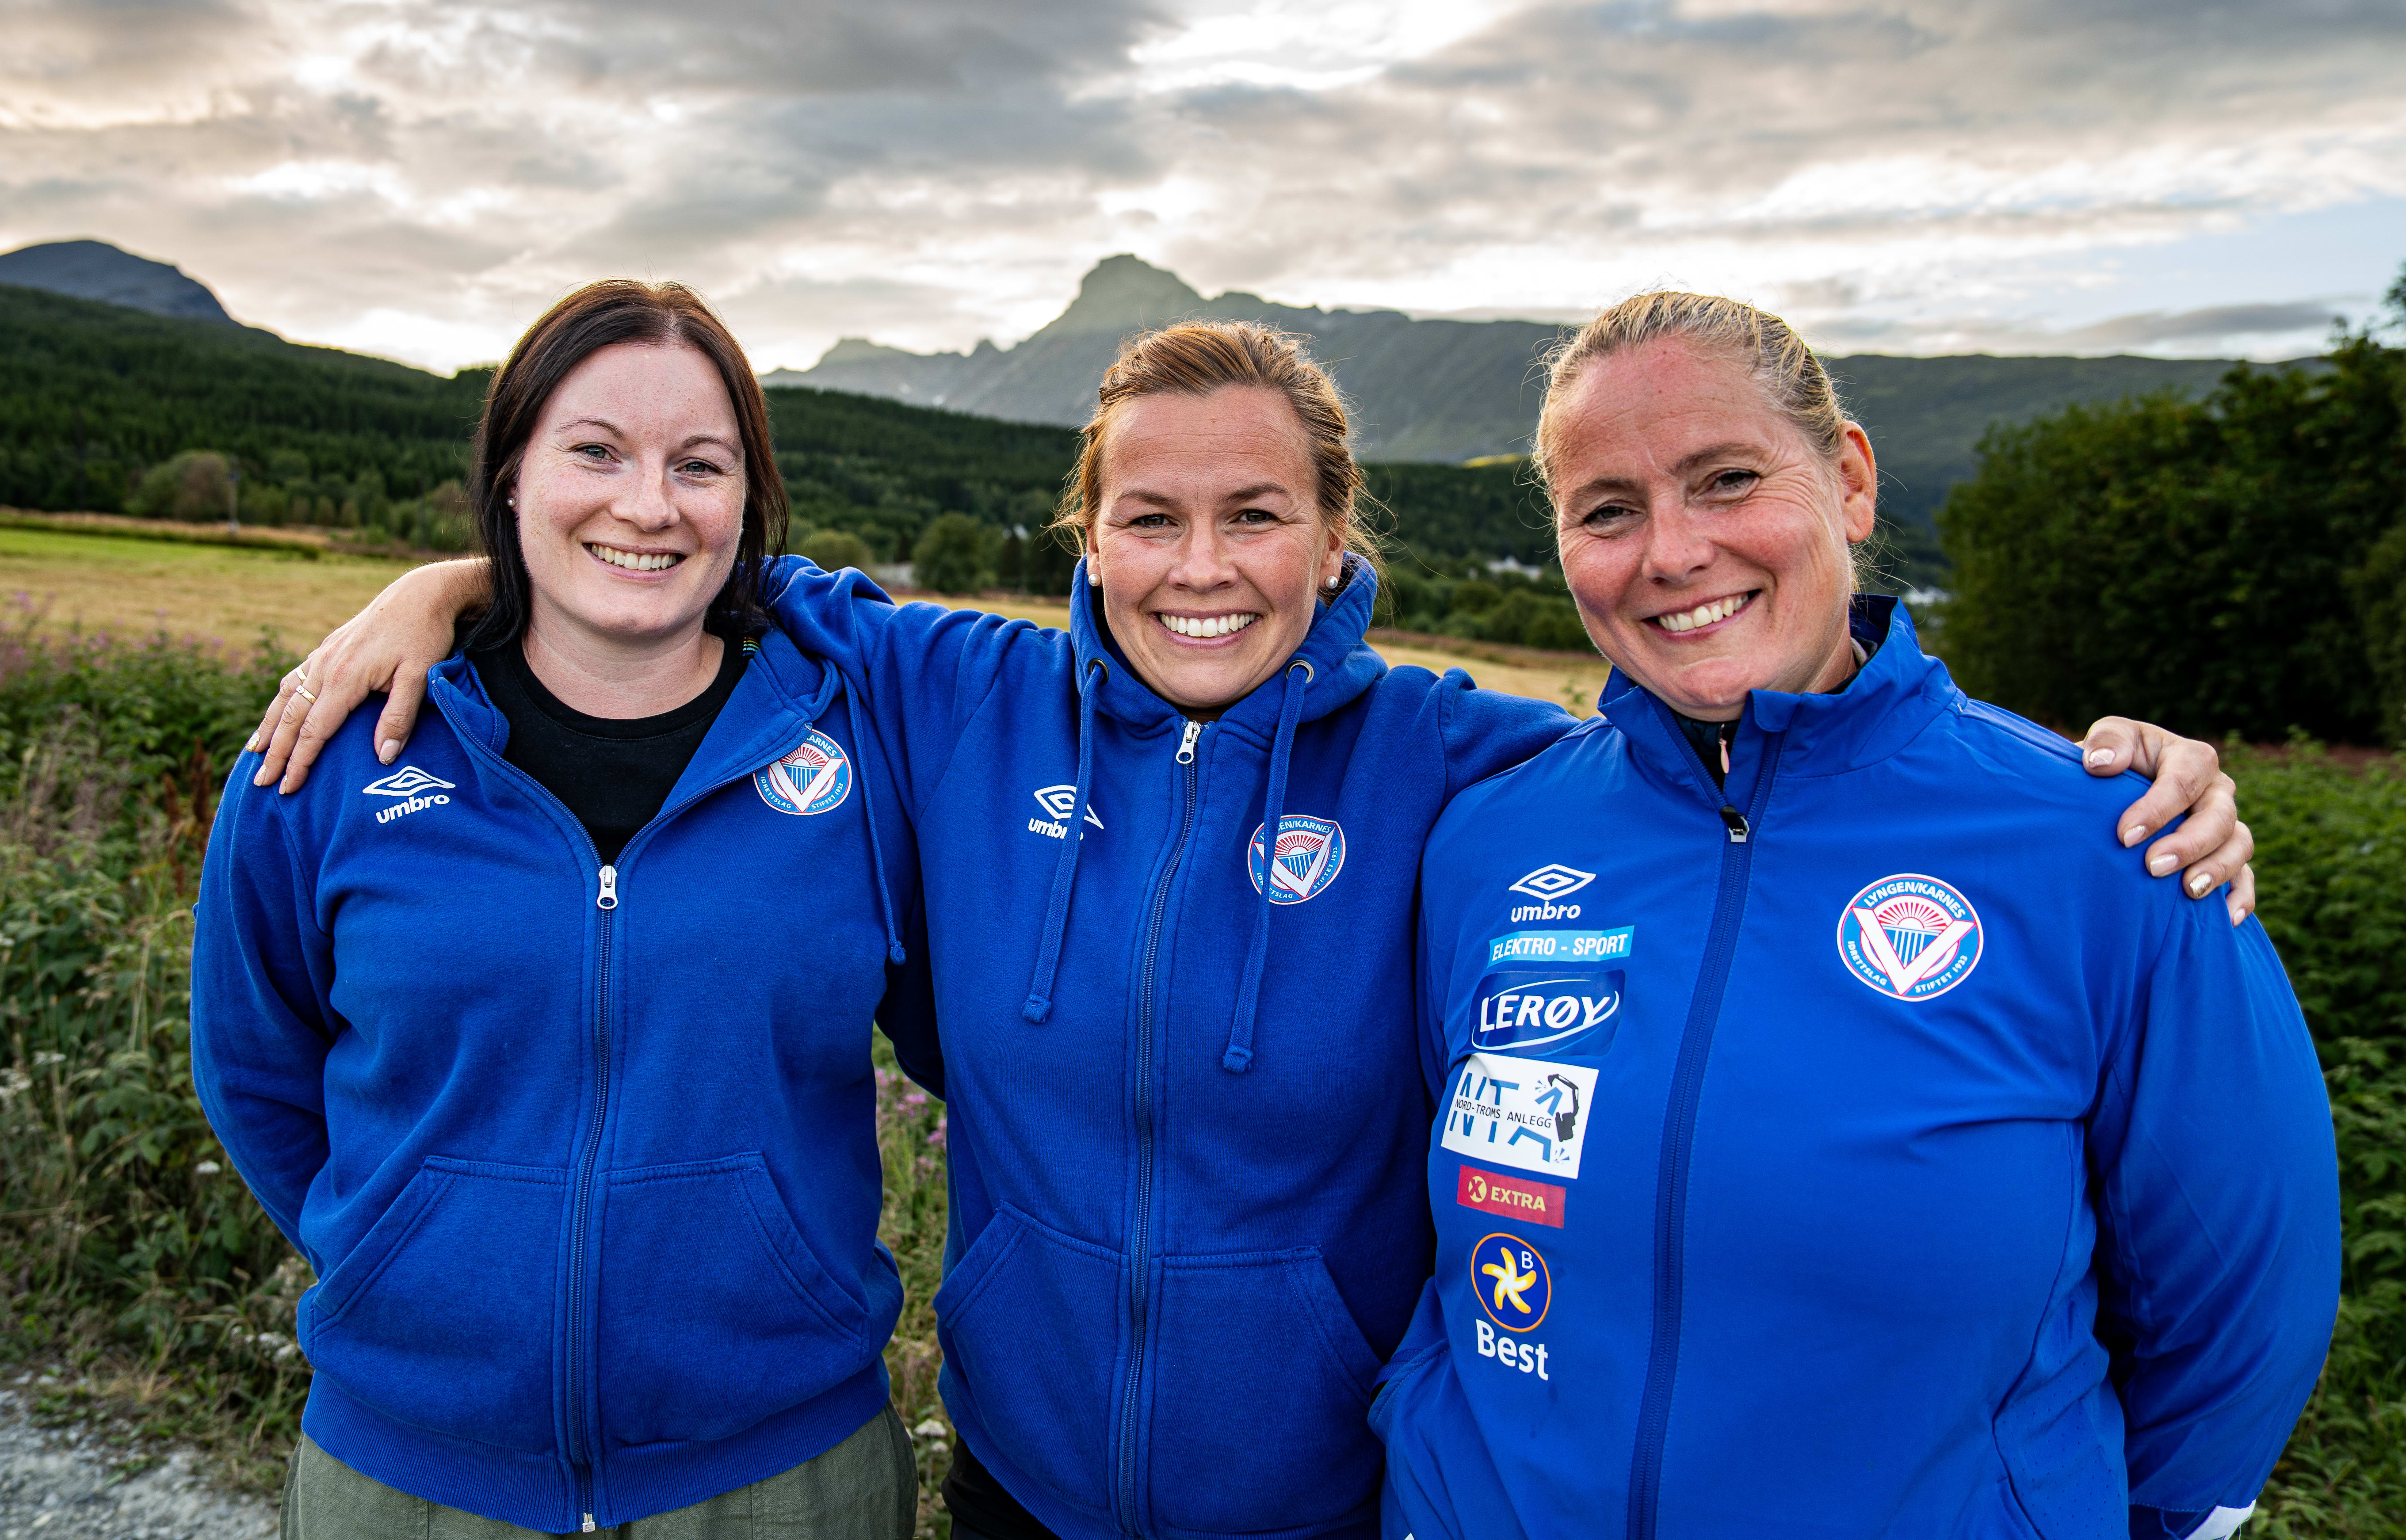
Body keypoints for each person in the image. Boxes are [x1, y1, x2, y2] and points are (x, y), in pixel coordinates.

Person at [246, 320, 2257, 1540]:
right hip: (1024, 1488)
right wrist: (447, 586)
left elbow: (1733, 769)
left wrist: (2089, 782)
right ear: (1088, 531)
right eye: (1149, 517)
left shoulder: (1474, 767)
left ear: (1335, 534)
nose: (1198, 567)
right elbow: (691, 561)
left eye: (1257, 514)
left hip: (1328, 1500)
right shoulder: (952, 696)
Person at [1380, 293, 2337, 1540]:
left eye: (1727, 481)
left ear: (1850, 481)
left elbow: (2242, 1305)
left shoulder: (2111, 845)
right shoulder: (1490, 840)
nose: (1672, 552)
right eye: (1607, 510)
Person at [190, 282, 925, 1539]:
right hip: (412, 1471)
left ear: (749, 503)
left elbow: (985, 1042)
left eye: (700, 465)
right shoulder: (336, 756)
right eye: (595, 451)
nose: (649, 504)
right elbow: (254, 1068)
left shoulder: (865, 764)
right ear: (512, 473)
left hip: (782, 1473)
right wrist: (411, 1259)